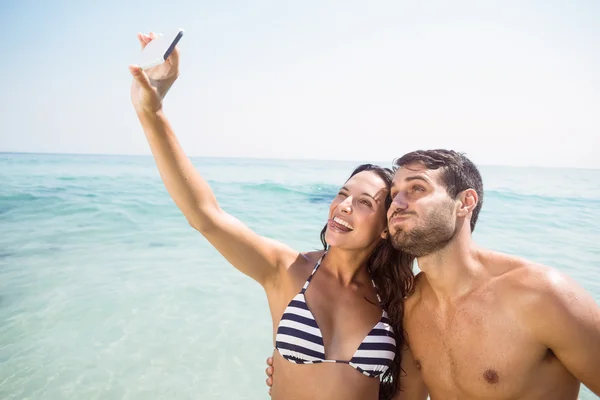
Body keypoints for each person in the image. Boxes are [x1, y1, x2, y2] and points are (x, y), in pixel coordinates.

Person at [127, 33, 415, 400]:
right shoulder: (286, 268)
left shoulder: (397, 295)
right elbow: (205, 216)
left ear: (386, 228)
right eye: (342, 194)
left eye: (364, 203)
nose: (343, 205)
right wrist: (152, 113)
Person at [266, 149, 600, 399]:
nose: (397, 202)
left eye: (417, 189)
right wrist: (298, 378)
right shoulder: (410, 304)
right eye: (394, 193)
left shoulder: (542, 296)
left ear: (464, 203)